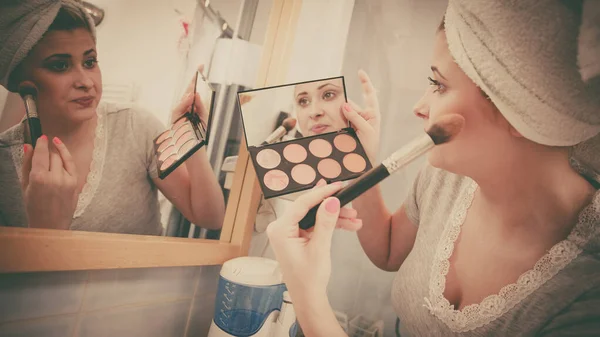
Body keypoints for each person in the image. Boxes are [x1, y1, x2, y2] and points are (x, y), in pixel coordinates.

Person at [267, 1, 600, 336]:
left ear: (521, 109)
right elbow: (388, 250)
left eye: (438, 84)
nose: (419, 107)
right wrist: (361, 167)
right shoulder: (447, 176)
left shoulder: (586, 296)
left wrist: (306, 294)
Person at [0, 1, 225, 235]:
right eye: (60, 66)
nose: (86, 82)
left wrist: (191, 141)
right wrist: (44, 228)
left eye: (89, 62)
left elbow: (210, 217)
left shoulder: (135, 127)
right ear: (22, 83)